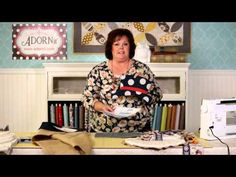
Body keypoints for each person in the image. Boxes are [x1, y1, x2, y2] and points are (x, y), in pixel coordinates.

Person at [83, 28, 162, 133]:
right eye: (116, 44)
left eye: (125, 44)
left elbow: (157, 95)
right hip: (103, 130)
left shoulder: (142, 69)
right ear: (110, 48)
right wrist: (102, 107)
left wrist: (145, 90)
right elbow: (88, 98)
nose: (121, 48)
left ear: (130, 47)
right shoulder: (98, 70)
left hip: (138, 130)